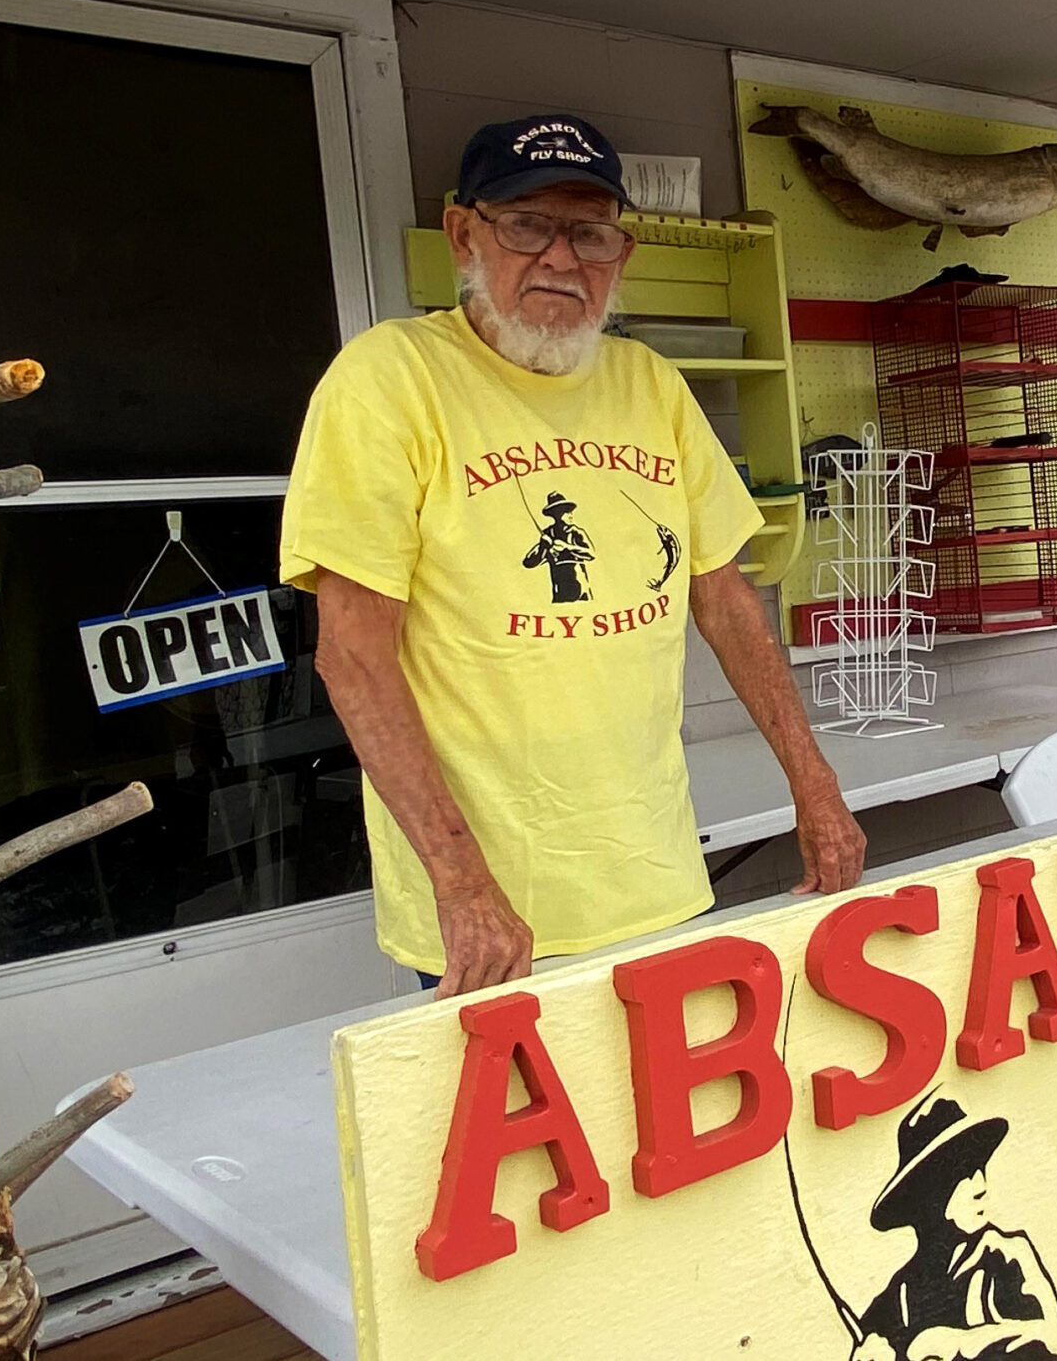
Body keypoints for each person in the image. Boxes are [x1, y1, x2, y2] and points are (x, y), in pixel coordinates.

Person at [281, 112, 867, 993]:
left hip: (659, 878)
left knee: (682, 1126)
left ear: (620, 256)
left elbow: (726, 599)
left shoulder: (651, 386)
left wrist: (815, 785)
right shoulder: (389, 379)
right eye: (527, 225)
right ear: (463, 234)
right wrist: (464, 885)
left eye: (590, 233)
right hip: (493, 914)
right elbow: (355, 657)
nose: (561, 259)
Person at [852, 1097, 1057, 1361]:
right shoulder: (902, 1291)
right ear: (929, 1195)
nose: (981, 1185)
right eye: (962, 1172)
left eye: (980, 1167)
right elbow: (868, 1340)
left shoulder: (1004, 1254)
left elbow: (1050, 1339)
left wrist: (956, 1343)